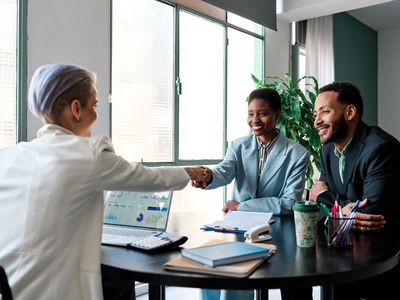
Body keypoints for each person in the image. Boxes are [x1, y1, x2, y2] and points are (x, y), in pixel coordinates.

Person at [0, 63, 206, 300]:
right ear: (76, 108)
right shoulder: (88, 154)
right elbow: (147, 178)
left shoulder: (9, 156)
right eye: (94, 105)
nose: (96, 114)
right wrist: (191, 172)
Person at [192, 88, 312, 300]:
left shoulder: (297, 154)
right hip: (238, 228)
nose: (254, 119)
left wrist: (241, 206)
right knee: (212, 269)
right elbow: (224, 171)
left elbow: (289, 202)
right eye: (250, 113)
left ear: (277, 114)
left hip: (277, 231)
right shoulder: (238, 146)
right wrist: (208, 176)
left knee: (294, 283)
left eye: (262, 113)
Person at [310, 81, 400, 300]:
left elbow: (371, 215)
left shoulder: (380, 147)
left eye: (325, 112)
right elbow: (318, 210)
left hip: (381, 262)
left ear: (350, 112)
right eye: (315, 114)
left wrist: (324, 195)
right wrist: (341, 209)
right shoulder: (327, 151)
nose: (317, 121)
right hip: (340, 255)